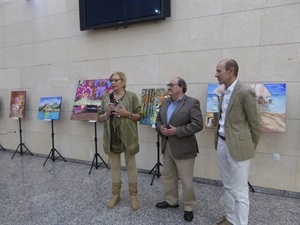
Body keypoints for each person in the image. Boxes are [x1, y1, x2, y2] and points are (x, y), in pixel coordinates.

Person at [214, 59, 261, 225]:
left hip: (239, 147)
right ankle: (230, 218)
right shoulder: (223, 92)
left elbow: (256, 125)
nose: (216, 74)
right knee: (227, 186)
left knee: (240, 192)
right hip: (221, 143)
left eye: (219, 71)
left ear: (231, 71)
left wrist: (248, 147)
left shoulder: (245, 92)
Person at [155, 77, 203, 222]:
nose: (168, 86)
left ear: (181, 87)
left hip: (184, 148)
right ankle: (171, 201)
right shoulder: (165, 102)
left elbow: (198, 124)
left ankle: (188, 207)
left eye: (171, 84)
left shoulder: (192, 102)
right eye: (168, 84)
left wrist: (178, 131)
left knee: (186, 180)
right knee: (168, 176)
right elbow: (157, 120)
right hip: (167, 145)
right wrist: (160, 128)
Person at [98, 72, 142, 211]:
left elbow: (139, 116)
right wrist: (107, 113)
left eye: (116, 80)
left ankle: (133, 195)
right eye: (112, 80)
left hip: (128, 137)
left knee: (131, 166)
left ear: (123, 81)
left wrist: (126, 114)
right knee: (115, 166)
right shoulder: (106, 98)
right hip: (112, 137)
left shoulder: (131, 96)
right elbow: (100, 117)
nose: (113, 82)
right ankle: (116, 194)